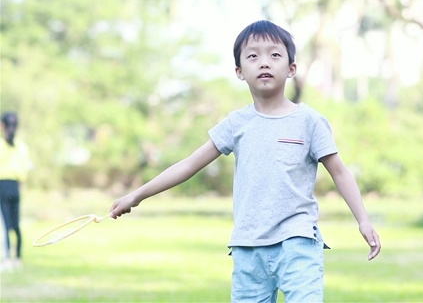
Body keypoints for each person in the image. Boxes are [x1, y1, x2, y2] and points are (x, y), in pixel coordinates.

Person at [110, 20, 381, 302]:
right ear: (240, 72)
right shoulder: (236, 124)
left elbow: (339, 172)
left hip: (297, 241)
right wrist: (136, 195)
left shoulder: (309, 121)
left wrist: (363, 220)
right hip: (248, 247)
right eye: (253, 56)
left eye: (275, 55)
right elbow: (188, 165)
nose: (264, 62)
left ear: (291, 69)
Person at [0, 112, 32, 270]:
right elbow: (25, 170)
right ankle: (18, 257)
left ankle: (7, 259)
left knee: (5, 224)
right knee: (16, 223)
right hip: (16, 187)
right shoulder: (22, 146)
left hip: (2, 186)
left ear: (2, 125)